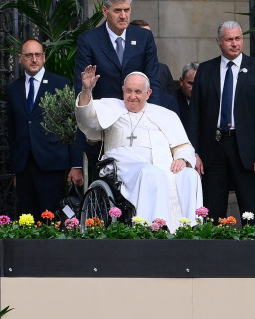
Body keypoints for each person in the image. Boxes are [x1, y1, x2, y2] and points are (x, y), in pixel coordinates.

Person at [75, 68, 202, 230]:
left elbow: (183, 145)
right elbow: (86, 117)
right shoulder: (111, 108)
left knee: (189, 175)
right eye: (128, 91)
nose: (132, 96)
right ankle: (152, 229)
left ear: (148, 93)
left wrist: (182, 159)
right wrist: (86, 90)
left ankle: (189, 229)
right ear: (123, 90)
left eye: (138, 92)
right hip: (122, 165)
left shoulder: (165, 115)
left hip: (161, 164)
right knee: (152, 173)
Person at [190, 21, 255, 220]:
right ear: (218, 41)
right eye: (229, 39)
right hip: (213, 148)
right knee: (212, 210)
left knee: (251, 211)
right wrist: (193, 152)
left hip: (247, 150)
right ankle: (213, 250)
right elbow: (195, 114)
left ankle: (253, 250)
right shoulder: (206, 70)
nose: (235, 44)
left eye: (238, 38)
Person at [6, 40, 82, 218]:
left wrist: (75, 165)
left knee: (53, 218)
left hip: (52, 164)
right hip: (24, 166)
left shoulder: (60, 84)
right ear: (20, 59)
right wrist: (16, 169)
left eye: (37, 55)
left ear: (44, 57)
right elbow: (12, 130)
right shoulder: (13, 89)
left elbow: (72, 128)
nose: (34, 59)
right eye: (29, 55)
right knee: (27, 219)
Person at [73, 1, 161, 100]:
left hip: (138, 111)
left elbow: (153, 80)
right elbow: (82, 84)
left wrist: (151, 112)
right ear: (105, 11)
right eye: (117, 10)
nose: (123, 16)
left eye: (126, 10)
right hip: (103, 111)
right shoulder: (89, 40)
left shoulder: (144, 37)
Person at [176, 62, 197, 140]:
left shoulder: (209, 100)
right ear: (181, 81)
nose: (195, 88)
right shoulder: (172, 100)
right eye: (191, 84)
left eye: (198, 84)